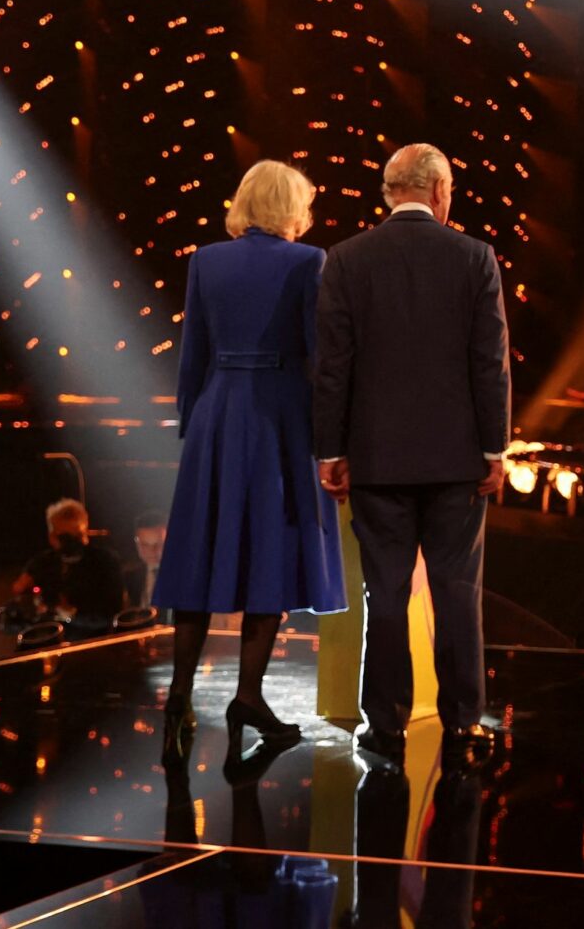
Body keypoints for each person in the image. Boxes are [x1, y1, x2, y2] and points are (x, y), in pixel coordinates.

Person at [315, 143, 511, 762]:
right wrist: (494, 449)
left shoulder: (346, 259)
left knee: (386, 595)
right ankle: (463, 723)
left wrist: (330, 450)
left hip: (377, 462)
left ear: (388, 192)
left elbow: (332, 367)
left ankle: (386, 725)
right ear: (440, 191)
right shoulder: (475, 257)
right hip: (458, 463)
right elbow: (490, 363)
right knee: (457, 592)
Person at [156, 159, 348, 767]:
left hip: (215, 415)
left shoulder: (206, 260)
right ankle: (247, 696)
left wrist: (193, 422)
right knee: (271, 547)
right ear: (292, 207)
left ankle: (179, 696)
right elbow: (319, 354)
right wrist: (331, 435)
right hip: (277, 417)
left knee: (201, 549)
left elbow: (193, 352)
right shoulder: (308, 261)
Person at [10, 498, 129, 636]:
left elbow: (112, 614)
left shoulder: (104, 561)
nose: (71, 543)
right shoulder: (41, 564)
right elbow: (17, 619)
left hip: (91, 642)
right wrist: (27, 603)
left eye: (77, 535)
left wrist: (70, 613)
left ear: (85, 533)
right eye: (65, 537)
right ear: (52, 537)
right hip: (49, 641)